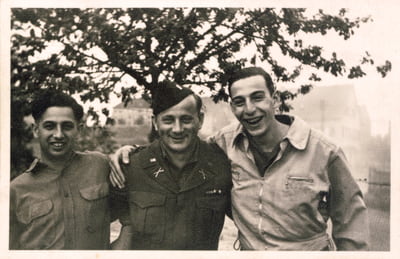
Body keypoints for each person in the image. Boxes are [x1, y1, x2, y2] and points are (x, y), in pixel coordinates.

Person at [110, 67, 369, 251]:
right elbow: (182, 143)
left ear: (275, 99)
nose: (249, 109)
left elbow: (351, 224)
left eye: (257, 98)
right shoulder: (224, 143)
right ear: (232, 107)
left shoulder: (325, 151)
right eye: (239, 102)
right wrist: (131, 151)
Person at [110, 81, 232, 250]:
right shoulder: (131, 166)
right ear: (155, 122)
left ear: (200, 120)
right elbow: (92, 224)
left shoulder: (221, 165)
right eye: (168, 120)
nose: (177, 129)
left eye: (186, 119)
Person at [10, 90, 112, 249]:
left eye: (67, 126)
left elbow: (130, 213)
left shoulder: (100, 165)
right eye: (49, 126)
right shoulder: (16, 190)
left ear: (79, 129)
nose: (58, 135)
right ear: (36, 130)